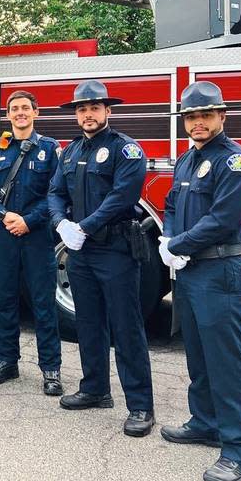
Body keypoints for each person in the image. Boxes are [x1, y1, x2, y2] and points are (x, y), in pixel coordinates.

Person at [159, 81, 241, 481]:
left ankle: (239, 451)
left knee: (226, 363)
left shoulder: (237, 162)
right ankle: (205, 423)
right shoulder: (187, 160)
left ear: (222, 116)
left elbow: (222, 219)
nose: (197, 123)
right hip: (191, 271)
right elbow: (169, 204)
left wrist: (179, 244)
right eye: (190, 117)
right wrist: (167, 240)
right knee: (198, 356)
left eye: (205, 115)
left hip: (221, 273)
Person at [47, 80, 155, 437]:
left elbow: (123, 197)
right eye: (81, 109)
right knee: (89, 324)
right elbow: (55, 193)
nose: (87, 114)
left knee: (126, 328)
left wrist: (86, 226)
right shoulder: (70, 151)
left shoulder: (126, 151)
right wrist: (61, 223)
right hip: (80, 252)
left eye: (94, 108)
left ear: (108, 111)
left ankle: (140, 406)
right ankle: (95, 389)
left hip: (116, 251)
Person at [0, 90, 63, 395]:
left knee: (43, 304)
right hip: (4, 235)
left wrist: (28, 220)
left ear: (36, 112)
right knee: (6, 300)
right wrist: (2, 214)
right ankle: (6, 360)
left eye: (26, 108)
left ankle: (51, 369)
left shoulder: (50, 149)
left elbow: (56, 194)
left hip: (37, 236)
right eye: (14, 109)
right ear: (8, 115)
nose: (20, 113)